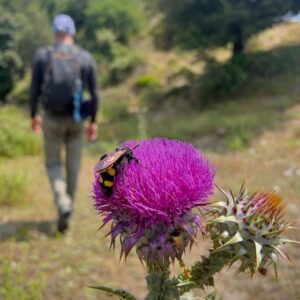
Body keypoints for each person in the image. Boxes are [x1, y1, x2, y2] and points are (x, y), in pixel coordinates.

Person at [30, 14, 99, 233]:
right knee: (73, 167)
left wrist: (34, 115)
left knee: (53, 164)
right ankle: (67, 214)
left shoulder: (43, 55)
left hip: (51, 118)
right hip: (77, 120)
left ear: (55, 32)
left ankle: (62, 202)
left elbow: (34, 89)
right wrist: (94, 121)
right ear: (72, 33)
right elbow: (95, 94)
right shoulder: (85, 57)